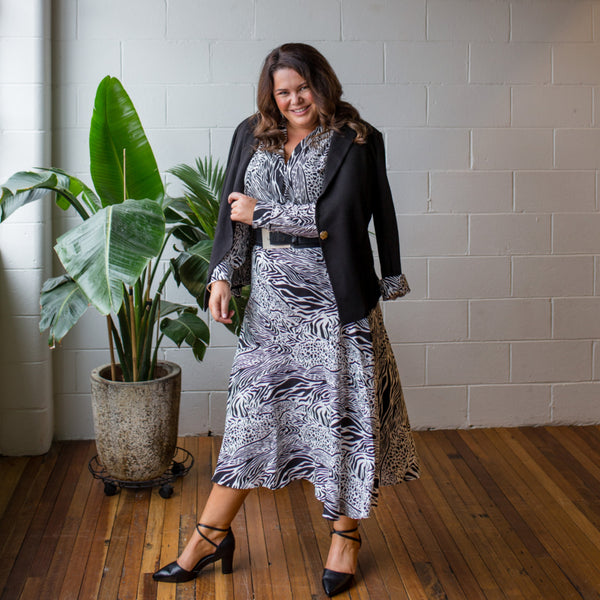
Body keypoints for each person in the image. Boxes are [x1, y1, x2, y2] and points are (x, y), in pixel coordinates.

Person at [153, 42, 420, 597]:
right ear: (270, 95)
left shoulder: (356, 138)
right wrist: (223, 275)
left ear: (322, 85)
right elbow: (233, 210)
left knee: (341, 424)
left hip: (335, 301)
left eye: (303, 88)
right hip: (272, 304)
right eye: (283, 91)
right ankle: (209, 535)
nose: (294, 99)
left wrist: (265, 211)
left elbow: (343, 218)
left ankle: (345, 539)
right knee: (250, 422)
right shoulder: (251, 133)